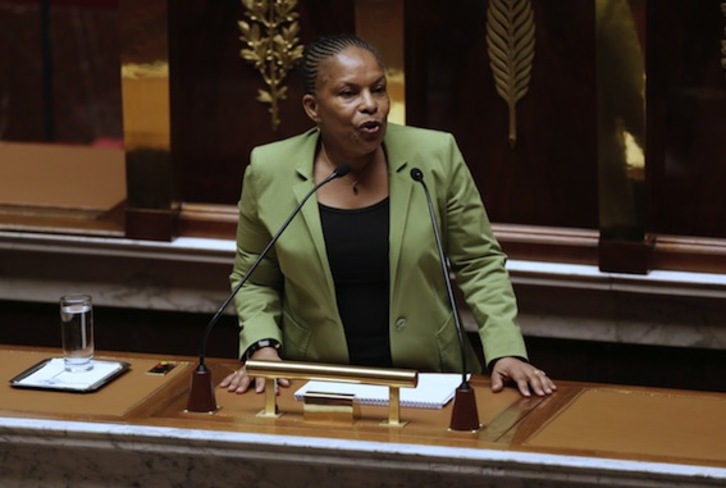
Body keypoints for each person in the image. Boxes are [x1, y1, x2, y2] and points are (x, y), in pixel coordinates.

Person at [220, 33, 556, 398]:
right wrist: (262, 347)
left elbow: (479, 262)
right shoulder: (270, 169)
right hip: (316, 380)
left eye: (378, 89)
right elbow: (255, 276)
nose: (371, 105)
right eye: (349, 93)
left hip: (429, 377)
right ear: (313, 107)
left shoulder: (434, 156)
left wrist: (505, 349)